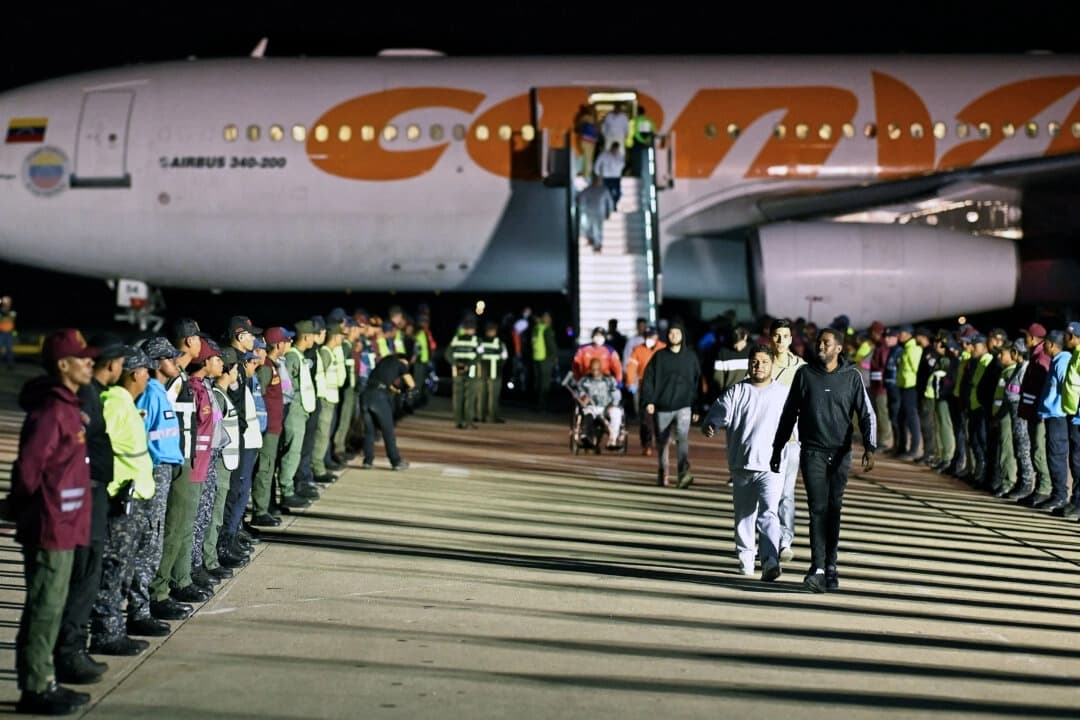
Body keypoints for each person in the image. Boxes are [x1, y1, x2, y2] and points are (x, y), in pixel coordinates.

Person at [9, 329, 96, 714]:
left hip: (64, 522)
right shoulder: (53, 410)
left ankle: (44, 679)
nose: (89, 362)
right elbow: (29, 469)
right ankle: (36, 687)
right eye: (82, 357)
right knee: (45, 607)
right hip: (50, 525)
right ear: (63, 364)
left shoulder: (67, 406)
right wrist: (28, 508)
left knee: (51, 606)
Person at [770, 327, 876, 593]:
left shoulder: (852, 376)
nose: (820, 346)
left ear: (838, 348)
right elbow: (788, 413)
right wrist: (777, 448)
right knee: (817, 509)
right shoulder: (804, 375)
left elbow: (866, 413)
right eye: (819, 342)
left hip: (840, 453)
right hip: (812, 451)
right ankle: (817, 568)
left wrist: (869, 447)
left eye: (826, 343)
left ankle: (831, 565)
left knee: (834, 508)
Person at [703, 345, 790, 580]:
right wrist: (713, 424)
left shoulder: (783, 394)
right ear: (749, 364)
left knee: (769, 513)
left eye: (763, 362)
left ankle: (770, 559)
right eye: (755, 361)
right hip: (742, 464)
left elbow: (799, 422)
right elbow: (720, 412)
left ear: (772, 365)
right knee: (744, 516)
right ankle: (746, 559)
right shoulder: (736, 392)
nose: (758, 366)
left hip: (772, 465)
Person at [641, 321, 701, 488]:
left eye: (677, 333)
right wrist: (649, 401)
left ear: (682, 336)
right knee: (662, 442)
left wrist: (696, 406)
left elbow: (697, 383)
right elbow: (648, 379)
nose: (673, 336)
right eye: (670, 333)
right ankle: (663, 472)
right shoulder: (659, 357)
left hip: (684, 406)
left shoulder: (690, 357)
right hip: (663, 406)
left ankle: (682, 472)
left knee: (682, 438)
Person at [359, 354, 415, 470]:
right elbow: (411, 384)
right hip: (379, 398)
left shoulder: (383, 363)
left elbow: (386, 384)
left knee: (370, 431)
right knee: (388, 430)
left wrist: (396, 390)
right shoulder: (400, 363)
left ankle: (367, 461)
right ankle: (396, 461)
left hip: (366, 395)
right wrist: (409, 391)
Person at [573, 358, 624, 449]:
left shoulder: (609, 380)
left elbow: (616, 393)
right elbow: (578, 392)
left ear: (601, 369)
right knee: (587, 412)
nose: (594, 372)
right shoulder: (584, 381)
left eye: (597, 369)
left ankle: (612, 441)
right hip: (591, 407)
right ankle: (587, 437)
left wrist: (613, 403)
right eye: (592, 369)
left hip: (606, 407)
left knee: (616, 412)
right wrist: (583, 397)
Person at [576, 174, 614, 252]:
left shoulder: (604, 190)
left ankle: (598, 244)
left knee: (598, 228)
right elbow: (581, 198)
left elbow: (609, 202)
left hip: (600, 212)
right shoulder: (588, 189)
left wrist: (609, 212)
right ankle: (592, 240)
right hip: (589, 212)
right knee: (589, 227)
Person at [0, 295, 16, 369]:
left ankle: (10, 365)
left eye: (8, 303)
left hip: (9, 333)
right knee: (0, 349)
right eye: (6, 303)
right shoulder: (0, 312)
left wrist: (5, 315)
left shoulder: (12, 312)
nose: (7, 304)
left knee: (10, 349)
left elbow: (12, 318)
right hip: (1, 333)